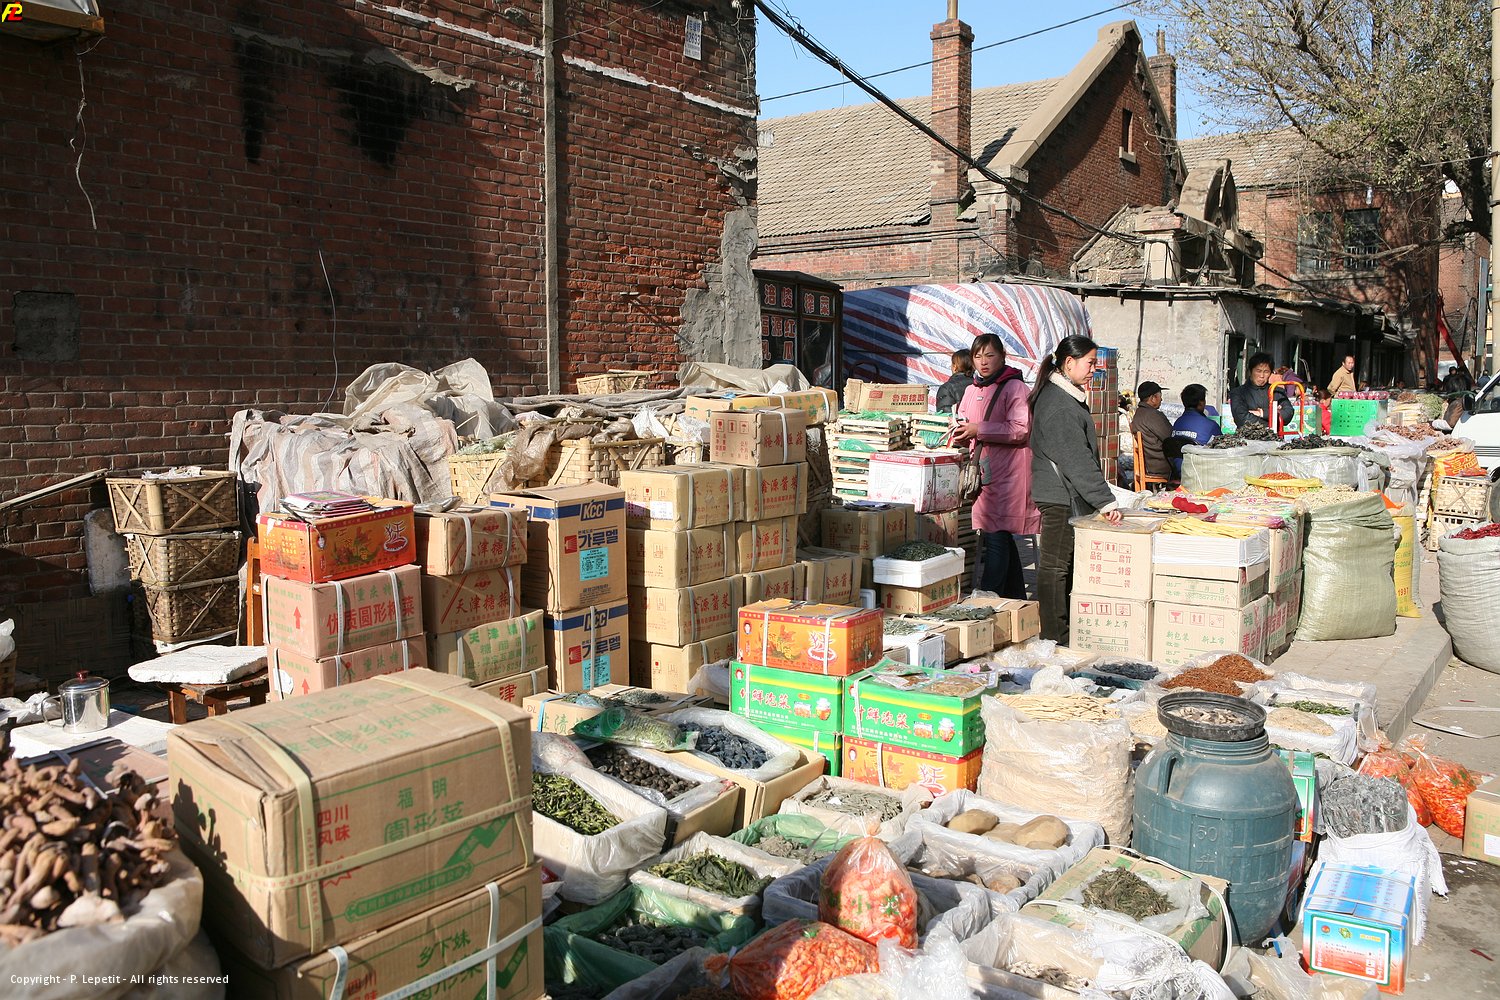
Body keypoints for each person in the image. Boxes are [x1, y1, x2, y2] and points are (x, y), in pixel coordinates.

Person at [1029, 335, 1122, 644]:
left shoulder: (1063, 397)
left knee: (1062, 564)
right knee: (1055, 566)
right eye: (1090, 363)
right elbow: (1076, 459)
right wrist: (1106, 502)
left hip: (1062, 492)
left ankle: (1063, 629)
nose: (1094, 369)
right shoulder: (1060, 404)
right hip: (1060, 494)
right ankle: (1055, 635)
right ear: (1069, 363)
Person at [952, 335, 1038, 599]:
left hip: (1010, 474)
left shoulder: (1016, 388)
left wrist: (979, 429)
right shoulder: (971, 389)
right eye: (978, 356)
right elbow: (962, 419)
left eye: (990, 355)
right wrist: (959, 430)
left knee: (996, 534)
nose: (983, 362)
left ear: (1003, 356)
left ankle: (989, 595)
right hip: (983, 471)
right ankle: (1015, 598)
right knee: (998, 534)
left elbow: (1021, 429)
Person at [1229, 352, 1294, 430]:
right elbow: (1242, 419)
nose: (1262, 376)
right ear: (1250, 371)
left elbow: (1288, 414)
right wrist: (1272, 419)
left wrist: (1262, 413)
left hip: (1274, 437)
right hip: (1247, 436)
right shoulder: (1238, 393)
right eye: (1258, 371)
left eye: (1266, 372)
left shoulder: (1277, 391)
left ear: (1271, 373)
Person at [1129, 380, 1176, 484]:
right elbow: (1171, 439)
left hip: (1149, 464)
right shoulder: (1154, 416)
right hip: (1160, 466)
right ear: (1153, 398)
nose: (1161, 399)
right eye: (1160, 396)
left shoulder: (1138, 414)